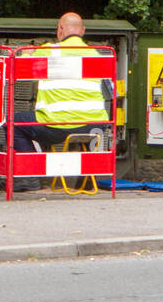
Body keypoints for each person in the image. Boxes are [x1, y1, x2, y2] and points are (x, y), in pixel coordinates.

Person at [9, 12, 109, 191]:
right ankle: (86, 182)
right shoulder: (97, 55)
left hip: (58, 124)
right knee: (84, 135)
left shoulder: (50, 51)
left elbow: (17, 69)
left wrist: (26, 53)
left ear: (60, 30)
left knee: (13, 123)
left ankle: (29, 177)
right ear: (83, 31)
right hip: (95, 123)